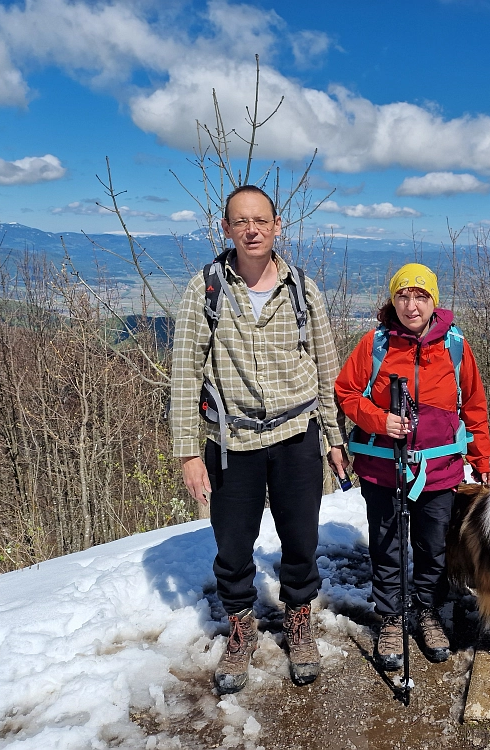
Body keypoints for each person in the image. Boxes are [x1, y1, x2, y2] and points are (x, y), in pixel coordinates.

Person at [170, 185, 349, 693]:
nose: (252, 230)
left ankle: (299, 621)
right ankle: (242, 627)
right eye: (241, 221)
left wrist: (334, 438)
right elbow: (185, 372)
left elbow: (326, 369)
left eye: (261, 221)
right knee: (232, 544)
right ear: (226, 228)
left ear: (276, 226)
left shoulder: (302, 289)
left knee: (301, 539)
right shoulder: (205, 289)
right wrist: (188, 452)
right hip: (232, 440)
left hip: (296, 434)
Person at [334, 263, 490, 670]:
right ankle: (390, 617)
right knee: (387, 546)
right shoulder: (376, 344)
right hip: (383, 467)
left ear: (434, 301)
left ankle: (428, 611)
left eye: (421, 296)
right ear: (393, 300)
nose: (411, 305)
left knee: (432, 546)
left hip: (439, 469)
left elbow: (474, 405)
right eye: (403, 296)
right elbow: (346, 392)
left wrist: (480, 458)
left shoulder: (455, 346)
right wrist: (378, 420)